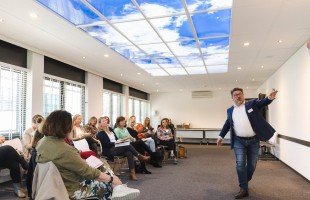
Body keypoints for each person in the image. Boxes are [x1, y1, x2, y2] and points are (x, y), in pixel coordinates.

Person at [36, 110, 140, 200]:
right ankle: (118, 186)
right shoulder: (65, 150)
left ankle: (118, 186)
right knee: (107, 183)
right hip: (73, 188)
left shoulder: (42, 143)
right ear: (65, 127)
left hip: (56, 183)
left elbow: (70, 163)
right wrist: (112, 179)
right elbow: (87, 172)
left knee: (101, 163)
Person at [217, 88, 278, 199]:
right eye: (235, 95)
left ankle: (245, 179)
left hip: (254, 140)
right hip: (238, 141)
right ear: (232, 98)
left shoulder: (252, 105)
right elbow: (227, 123)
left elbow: (263, 102)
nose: (238, 96)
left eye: (240, 94)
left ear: (243, 95)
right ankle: (243, 188)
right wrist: (220, 136)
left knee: (252, 165)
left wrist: (269, 98)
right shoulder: (230, 110)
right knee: (240, 164)